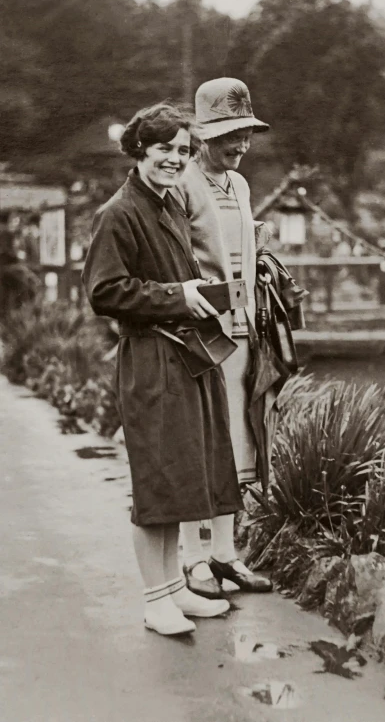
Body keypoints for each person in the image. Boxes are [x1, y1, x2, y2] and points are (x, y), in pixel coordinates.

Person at [83, 102, 244, 636]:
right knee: (158, 480)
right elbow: (105, 292)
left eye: (181, 150)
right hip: (151, 358)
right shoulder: (120, 212)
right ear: (138, 150)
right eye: (163, 150)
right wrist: (180, 294)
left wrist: (199, 290)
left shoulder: (167, 202)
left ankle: (176, 588)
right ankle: (155, 599)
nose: (175, 160)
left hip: (184, 354)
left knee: (185, 473)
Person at [172, 78, 273, 598]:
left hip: (242, 330)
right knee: (200, 442)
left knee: (237, 440)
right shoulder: (183, 181)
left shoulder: (241, 184)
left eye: (247, 133)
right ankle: (193, 559)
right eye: (231, 133)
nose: (240, 144)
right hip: (201, 333)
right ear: (204, 135)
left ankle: (226, 555)